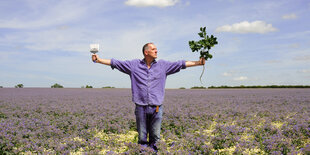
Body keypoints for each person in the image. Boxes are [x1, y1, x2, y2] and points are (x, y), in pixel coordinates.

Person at [91, 42, 205, 151]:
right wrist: (99, 59)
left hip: (157, 108)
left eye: (156, 49)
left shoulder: (163, 65)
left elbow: (181, 64)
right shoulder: (134, 65)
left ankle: (154, 152)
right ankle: (144, 152)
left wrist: (198, 63)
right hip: (140, 107)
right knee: (142, 137)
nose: (156, 51)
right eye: (153, 49)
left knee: (155, 137)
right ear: (146, 52)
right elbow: (115, 63)